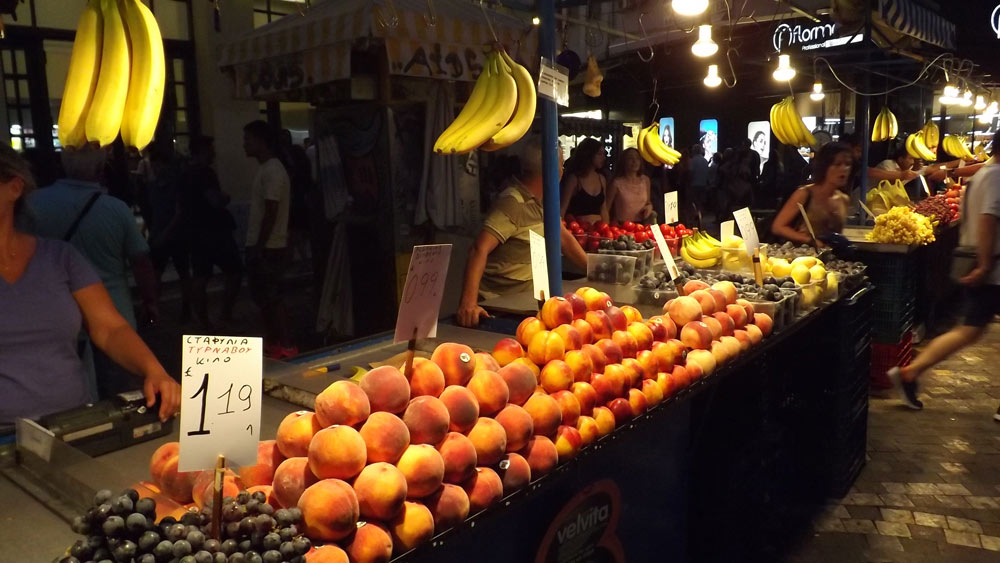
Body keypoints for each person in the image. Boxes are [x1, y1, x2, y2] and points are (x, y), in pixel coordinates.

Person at [0, 145, 179, 424]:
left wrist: (153, 369)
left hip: (71, 424)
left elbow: (109, 328)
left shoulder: (59, 257)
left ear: (14, 188)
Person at [25, 146, 159, 398]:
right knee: (121, 398)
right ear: (101, 169)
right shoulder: (115, 209)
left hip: (54, 314)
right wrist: (150, 301)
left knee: (65, 399)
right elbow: (140, 261)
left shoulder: (34, 204)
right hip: (115, 311)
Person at [889, 137, 1000, 418]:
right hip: (990, 266)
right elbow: (988, 219)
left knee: (969, 329)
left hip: (982, 262)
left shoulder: (984, 175)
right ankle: (910, 372)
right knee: (968, 329)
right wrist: (985, 264)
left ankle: (911, 372)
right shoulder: (995, 176)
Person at [457, 138, 589, 328]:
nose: (563, 171)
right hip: (501, 308)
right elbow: (479, 248)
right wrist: (468, 304)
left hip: (527, 302)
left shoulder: (543, 201)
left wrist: (594, 271)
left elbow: (564, 239)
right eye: (561, 165)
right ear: (554, 171)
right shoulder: (512, 203)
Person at [243, 120, 295, 359]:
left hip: (271, 247)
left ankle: (285, 343)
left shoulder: (273, 170)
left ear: (261, 141)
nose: (245, 144)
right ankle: (276, 342)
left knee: (273, 297)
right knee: (265, 297)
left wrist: (259, 246)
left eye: (248, 139)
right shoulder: (267, 169)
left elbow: (271, 210)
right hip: (266, 245)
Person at [180, 136, 242, 330]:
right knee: (234, 271)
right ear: (202, 151)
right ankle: (224, 313)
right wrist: (225, 198)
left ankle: (203, 319)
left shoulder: (185, 173)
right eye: (210, 149)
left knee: (201, 276)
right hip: (214, 231)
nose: (214, 153)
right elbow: (215, 200)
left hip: (196, 231)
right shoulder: (205, 173)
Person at [139, 140, 192, 321]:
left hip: (173, 236)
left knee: (181, 272)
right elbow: (154, 212)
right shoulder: (154, 187)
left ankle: (185, 307)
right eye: (154, 165)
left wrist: (162, 232)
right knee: (157, 274)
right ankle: (155, 308)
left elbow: (178, 212)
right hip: (161, 234)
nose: (156, 168)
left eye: (158, 165)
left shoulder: (173, 186)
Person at [771, 142, 853, 245]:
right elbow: (778, 227)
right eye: (837, 164)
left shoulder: (844, 199)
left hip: (833, 259)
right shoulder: (804, 194)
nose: (844, 169)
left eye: (848, 164)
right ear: (825, 166)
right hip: (803, 257)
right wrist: (809, 240)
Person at [560, 138, 608, 225]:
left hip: (599, 229)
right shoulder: (574, 179)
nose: (603, 158)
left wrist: (607, 229)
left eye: (604, 154)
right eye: (599, 154)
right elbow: (563, 208)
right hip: (578, 229)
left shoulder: (601, 178)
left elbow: (604, 209)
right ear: (589, 155)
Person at [607, 148, 653, 223]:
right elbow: (606, 208)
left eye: (637, 158)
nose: (634, 161)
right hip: (621, 225)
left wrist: (649, 207)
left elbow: (648, 202)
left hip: (642, 226)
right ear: (624, 162)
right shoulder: (616, 183)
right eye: (630, 158)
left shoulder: (645, 180)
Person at [689, 144, 710, 217]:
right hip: (703, 184)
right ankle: (701, 214)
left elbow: (691, 172)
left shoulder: (693, 160)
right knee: (701, 201)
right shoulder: (705, 160)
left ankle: (696, 215)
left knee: (694, 201)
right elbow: (708, 173)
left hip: (694, 184)